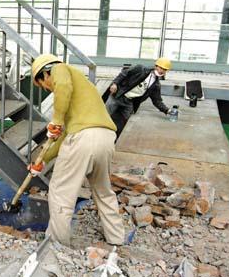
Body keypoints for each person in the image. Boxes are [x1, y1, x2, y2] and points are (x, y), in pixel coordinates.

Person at [29, 54, 124, 247]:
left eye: (43, 85)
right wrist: (43, 160)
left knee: (61, 192)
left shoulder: (60, 69)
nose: (48, 88)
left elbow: (61, 86)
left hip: (83, 139)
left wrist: (55, 119)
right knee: (103, 191)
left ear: (45, 74)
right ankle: (116, 238)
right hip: (106, 138)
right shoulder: (83, 87)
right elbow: (64, 135)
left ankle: (55, 243)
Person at [106, 58, 173, 134]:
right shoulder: (140, 69)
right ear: (156, 66)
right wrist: (115, 83)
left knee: (125, 123)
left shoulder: (156, 85)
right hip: (119, 96)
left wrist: (167, 110)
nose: (162, 71)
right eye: (161, 68)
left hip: (129, 102)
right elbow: (124, 73)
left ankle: (116, 137)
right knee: (105, 115)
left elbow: (157, 101)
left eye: (165, 69)